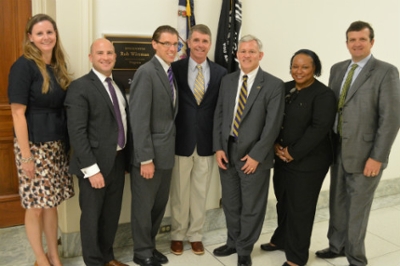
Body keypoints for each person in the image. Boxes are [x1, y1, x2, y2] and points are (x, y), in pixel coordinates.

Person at [315, 21, 400, 266]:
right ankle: (336, 246)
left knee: (357, 208)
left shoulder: (386, 71)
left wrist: (378, 156)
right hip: (337, 148)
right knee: (337, 201)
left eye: (362, 39)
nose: (357, 44)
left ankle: (356, 257)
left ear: (372, 42)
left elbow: (391, 119)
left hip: (366, 153)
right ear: (347, 43)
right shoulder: (338, 68)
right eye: (352, 40)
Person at [7, 14, 74, 266]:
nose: (46, 37)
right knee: (35, 206)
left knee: (51, 204)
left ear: (55, 35)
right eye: (40, 33)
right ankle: (40, 259)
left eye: (49, 32)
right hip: (33, 146)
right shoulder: (23, 66)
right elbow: (17, 113)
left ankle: (54, 256)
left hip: (55, 144)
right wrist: (26, 156)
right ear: (30, 38)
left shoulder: (57, 66)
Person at [212, 35, 285, 266]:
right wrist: (218, 147)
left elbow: (272, 126)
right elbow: (220, 115)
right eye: (242, 51)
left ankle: (244, 249)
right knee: (231, 203)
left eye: (251, 52)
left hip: (254, 156)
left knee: (252, 205)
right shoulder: (228, 80)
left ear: (260, 55)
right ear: (237, 55)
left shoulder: (273, 85)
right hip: (228, 151)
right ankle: (233, 241)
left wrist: (256, 156)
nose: (246, 55)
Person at [259, 49, 336, 266]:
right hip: (281, 158)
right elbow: (272, 118)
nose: (298, 71)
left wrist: (292, 152)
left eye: (305, 67)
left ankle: (297, 256)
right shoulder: (284, 88)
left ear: (315, 69)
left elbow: (319, 128)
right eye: (295, 66)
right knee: (283, 201)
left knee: (300, 208)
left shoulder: (323, 95)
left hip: (309, 162)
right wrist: (275, 145)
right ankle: (281, 239)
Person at [65, 38, 131, 266]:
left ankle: (107, 257)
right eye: (100, 53)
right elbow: (77, 133)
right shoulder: (80, 87)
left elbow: (121, 123)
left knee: (111, 215)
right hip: (93, 165)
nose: (106, 57)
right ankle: (93, 262)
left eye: (110, 53)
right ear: (91, 57)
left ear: (115, 56)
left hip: (118, 162)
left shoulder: (118, 86)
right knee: (92, 218)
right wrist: (91, 170)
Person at [169, 24, 227, 256]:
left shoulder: (221, 73)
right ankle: (177, 234)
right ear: (188, 43)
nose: (200, 45)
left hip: (206, 142)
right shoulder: (174, 68)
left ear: (209, 44)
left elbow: (220, 110)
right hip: (180, 140)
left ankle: (195, 235)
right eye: (196, 40)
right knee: (180, 192)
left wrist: (218, 143)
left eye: (205, 41)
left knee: (200, 192)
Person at [129, 25, 179, 266]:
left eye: (175, 44)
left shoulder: (169, 72)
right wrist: (145, 158)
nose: (172, 48)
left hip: (166, 155)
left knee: (158, 206)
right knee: (143, 207)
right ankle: (141, 252)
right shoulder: (146, 72)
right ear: (155, 44)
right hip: (149, 158)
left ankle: (150, 245)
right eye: (166, 43)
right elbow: (138, 120)